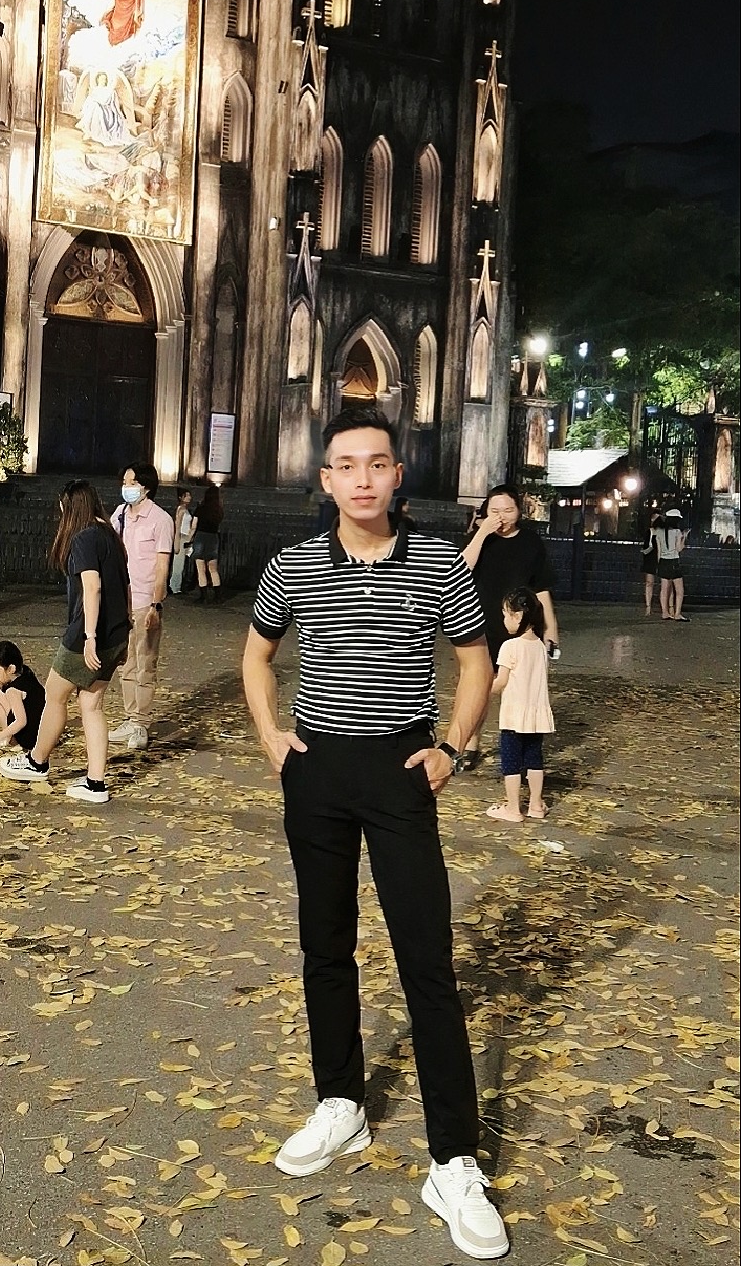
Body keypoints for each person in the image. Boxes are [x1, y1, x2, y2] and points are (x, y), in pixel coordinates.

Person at [242, 405, 508, 1262]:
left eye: (377, 463)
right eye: (346, 465)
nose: (362, 478)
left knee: (425, 958)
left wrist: (452, 748)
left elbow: (475, 661)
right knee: (324, 944)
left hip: (401, 769)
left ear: (397, 474)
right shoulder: (292, 566)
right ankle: (340, 1103)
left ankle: (452, 1159)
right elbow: (257, 655)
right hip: (316, 768)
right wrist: (270, 735)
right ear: (326, 480)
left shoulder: (438, 564)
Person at [0, 480, 130, 804]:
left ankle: (36, 762)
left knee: (55, 696)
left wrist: (89, 637)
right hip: (115, 633)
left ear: (69, 506)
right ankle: (96, 784)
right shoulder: (110, 534)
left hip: (88, 635)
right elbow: (126, 585)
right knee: (92, 705)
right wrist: (126, 632)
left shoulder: (84, 537)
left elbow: (93, 588)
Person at [460, 485, 559, 771]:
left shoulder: (531, 543)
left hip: (521, 629)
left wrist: (551, 628)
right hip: (479, 625)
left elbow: (541, 588)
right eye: (494, 511)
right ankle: (470, 744)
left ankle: (521, 751)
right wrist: (482, 532)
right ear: (484, 512)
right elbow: (461, 569)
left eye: (508, 510)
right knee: (477, 687)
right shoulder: (480, 539)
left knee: (521, 691)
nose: (501, 516)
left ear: (519, 511)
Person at [108, 463, 174, 750]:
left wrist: (156, 605)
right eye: (124, 482)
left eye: (132, 482)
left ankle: (141, 723)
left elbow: (162, 566)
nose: (127, 487)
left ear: (146, 486)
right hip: (122, 600)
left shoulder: (161, 520)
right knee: (126, 663)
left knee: (145, 662)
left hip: (145, 600)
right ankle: (129, 717)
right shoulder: (120, 514)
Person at [486, 588, 555, 824]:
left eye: (505, 614)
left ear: (517, 616)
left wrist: (483, 690)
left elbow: (501, 681)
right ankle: (536, 804)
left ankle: (513, 808)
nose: (504, 620)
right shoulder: (541, 647)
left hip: (514, 716)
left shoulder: (510, 646)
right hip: (536, 715)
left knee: (511, 762)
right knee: (535, 759)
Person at [0, 641, 45, 753]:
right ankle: (10, 737)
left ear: (11, 669)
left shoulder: (13, 691)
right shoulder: (26, 674)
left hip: (31, 740)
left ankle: (10, 739)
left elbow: (21, 721)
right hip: (44, 732)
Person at [187, 484, 224, 604]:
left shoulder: (200, 509)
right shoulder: (218, 510)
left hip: (201, 537)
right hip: (213, 538)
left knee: (201, 569)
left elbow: (194, 526)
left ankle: (203, 596)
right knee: (213, 569)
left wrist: (189, 539)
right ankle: (218, 596)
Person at [654, 506, 688, 622]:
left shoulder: (658, 531)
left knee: (664, 589)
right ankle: (677, 613)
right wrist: (684, 538)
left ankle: (665, 612)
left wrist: (658, 564)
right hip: (674, 561)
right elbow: (679, 548)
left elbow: (658, 550)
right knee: (679, 590)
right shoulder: (677, 532)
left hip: (663, 561)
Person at [169, 487, 193, 595]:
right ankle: (175, 586)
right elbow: (178, 526)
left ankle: (177, 585)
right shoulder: (181, 510)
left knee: (182, 563)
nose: (189, 497)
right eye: (186, 495)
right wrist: (177, 541)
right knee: (178, 563)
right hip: (182, 537)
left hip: (186, 537)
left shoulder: (185, 509)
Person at [640, 508, 662, 615]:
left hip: (662, 557)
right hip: (651, 559)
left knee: (665, 583)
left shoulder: (663, 531)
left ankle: (665, 606)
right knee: (649, 583)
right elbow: (647, 546)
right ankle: (648, 606)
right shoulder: (650, 531)